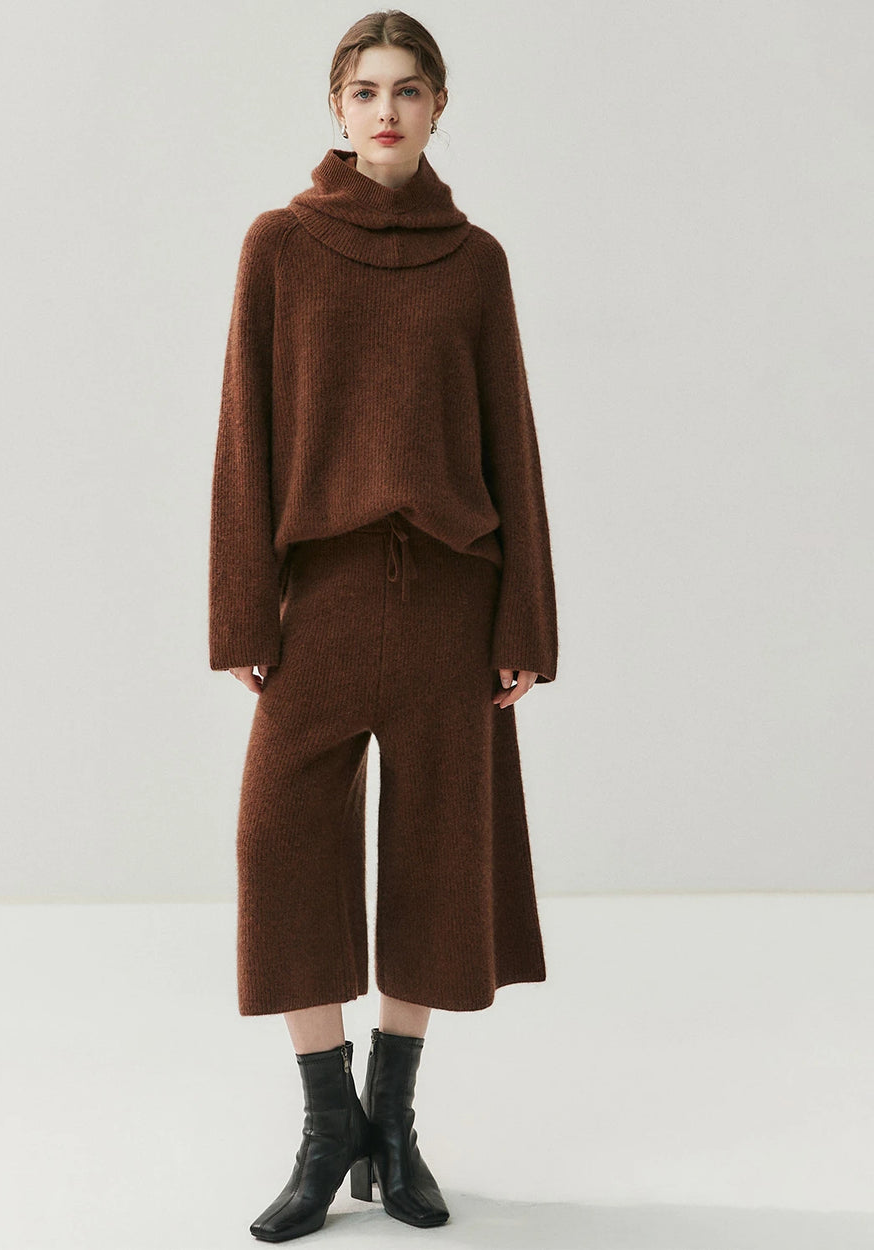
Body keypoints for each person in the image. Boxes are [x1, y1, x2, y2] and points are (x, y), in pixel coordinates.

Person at [208, 10, 558, 1243]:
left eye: (409, 90)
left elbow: (511, 442)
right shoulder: (280, 244)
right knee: (280, 847)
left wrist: (525, 618)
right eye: (366, 90)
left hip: (453, 598)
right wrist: (244, 608)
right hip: (325, 597)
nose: (387, 111)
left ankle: (394, 1123)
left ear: (439, 105)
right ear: (336, 107)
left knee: (438, 859)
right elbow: (244, 431)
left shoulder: (476, 260)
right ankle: (328, 1126)